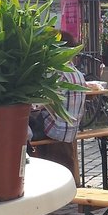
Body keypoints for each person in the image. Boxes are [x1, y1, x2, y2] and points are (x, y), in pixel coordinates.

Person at [29, 30, 88, 185]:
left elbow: (40, 102)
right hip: (71, 130)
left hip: (55, 130)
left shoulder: (57, 72)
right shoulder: (76, 72)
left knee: (24, 126)